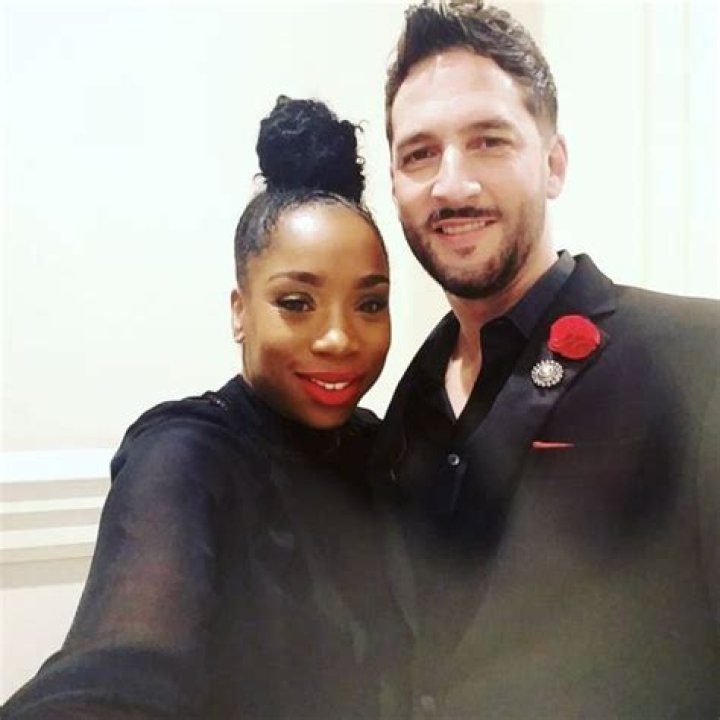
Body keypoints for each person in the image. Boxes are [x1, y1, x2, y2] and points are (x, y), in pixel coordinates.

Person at [3, 96, 406, 719]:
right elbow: (119, 668)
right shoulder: (186, 454)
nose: (339, 338)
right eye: (297, 303)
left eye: (370, 304)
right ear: (240, 311)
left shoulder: (381, 449)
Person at [373, 1, 720, 717]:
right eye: (419, 154)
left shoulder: (701, 359)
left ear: (553, 164)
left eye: (489, 141)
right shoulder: (404, 406)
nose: (452, 184)